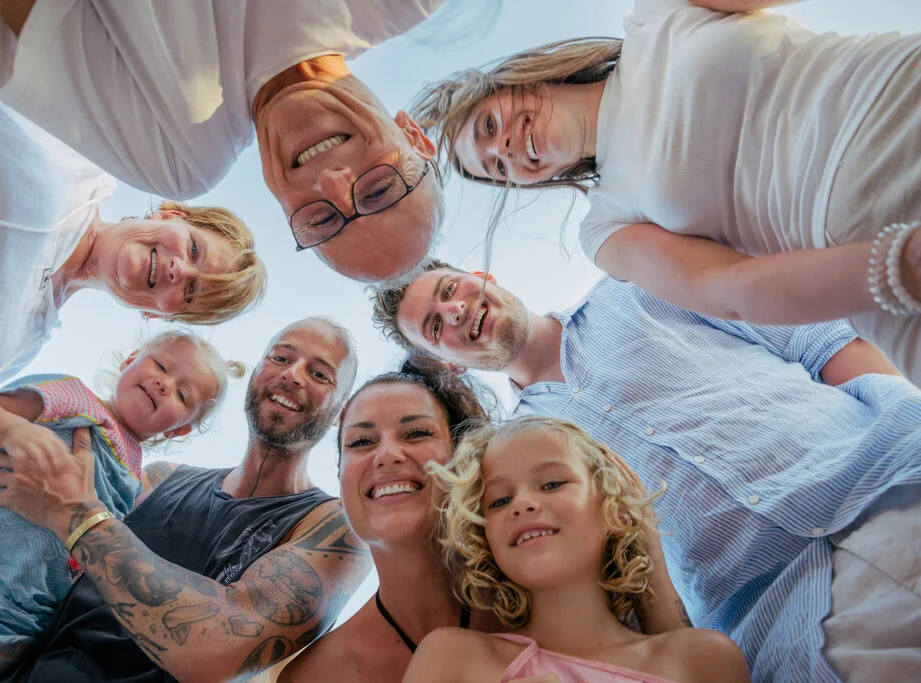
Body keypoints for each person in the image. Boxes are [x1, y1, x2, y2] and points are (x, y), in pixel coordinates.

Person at [372, 260, 921, 682]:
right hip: (786, 621)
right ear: (444, 362)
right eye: (433, 325)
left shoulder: (636, 287)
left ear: (481, 277)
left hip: (891, 478)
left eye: (450, 291)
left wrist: (905, 420)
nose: (455, 312)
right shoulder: (511, 458)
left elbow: (817, 342)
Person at [410, 0, 921, 383]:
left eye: (487, 126)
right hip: (870, 256)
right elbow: (733, 290)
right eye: (497, 169)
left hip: (897, 94)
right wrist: (897, 268)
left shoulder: (655, 16)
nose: (505, 149)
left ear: (513, 81)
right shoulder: (606, 227)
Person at [0, 317, 372, 682]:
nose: (292, 375)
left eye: (320, 373)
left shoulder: (333, 526)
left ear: (340, 412)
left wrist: (73, 512)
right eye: (280, 357)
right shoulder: (154, 479)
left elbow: (219, 649)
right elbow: (32, 552)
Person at [0, 0, 451, 282]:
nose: (335, 183)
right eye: (381, 190)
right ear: (414, 138)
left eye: (322, 220)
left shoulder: (178, 156)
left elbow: (19, 14)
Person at [0, 15, 265, 410]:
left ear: (158, 315)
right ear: (170, 213)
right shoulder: (82, 152)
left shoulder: (14, 356)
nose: (181, 271)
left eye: (191, 292)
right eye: (194, 251)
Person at [279, 357, 690, 683]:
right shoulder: (315, 675)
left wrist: (645, 546)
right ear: (340, 474)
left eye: (417, 433)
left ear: (464, 459)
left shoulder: (566, 593)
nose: (386, 455)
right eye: (361, 442)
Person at [0, 331, 241, 682]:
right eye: (161, 365)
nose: (164, 384)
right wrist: (12, 430)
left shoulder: (137, 481)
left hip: (28, 619)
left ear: (178, 430)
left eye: (182, 394)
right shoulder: (76, 399)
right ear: (129, 360)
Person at [406, 416, 750, 683]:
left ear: (612, 506)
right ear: (486, 537)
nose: (523, 503)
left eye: (553, 483)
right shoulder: (450, 659)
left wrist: (651, 562)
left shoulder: (705, 659)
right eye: (499, 500)